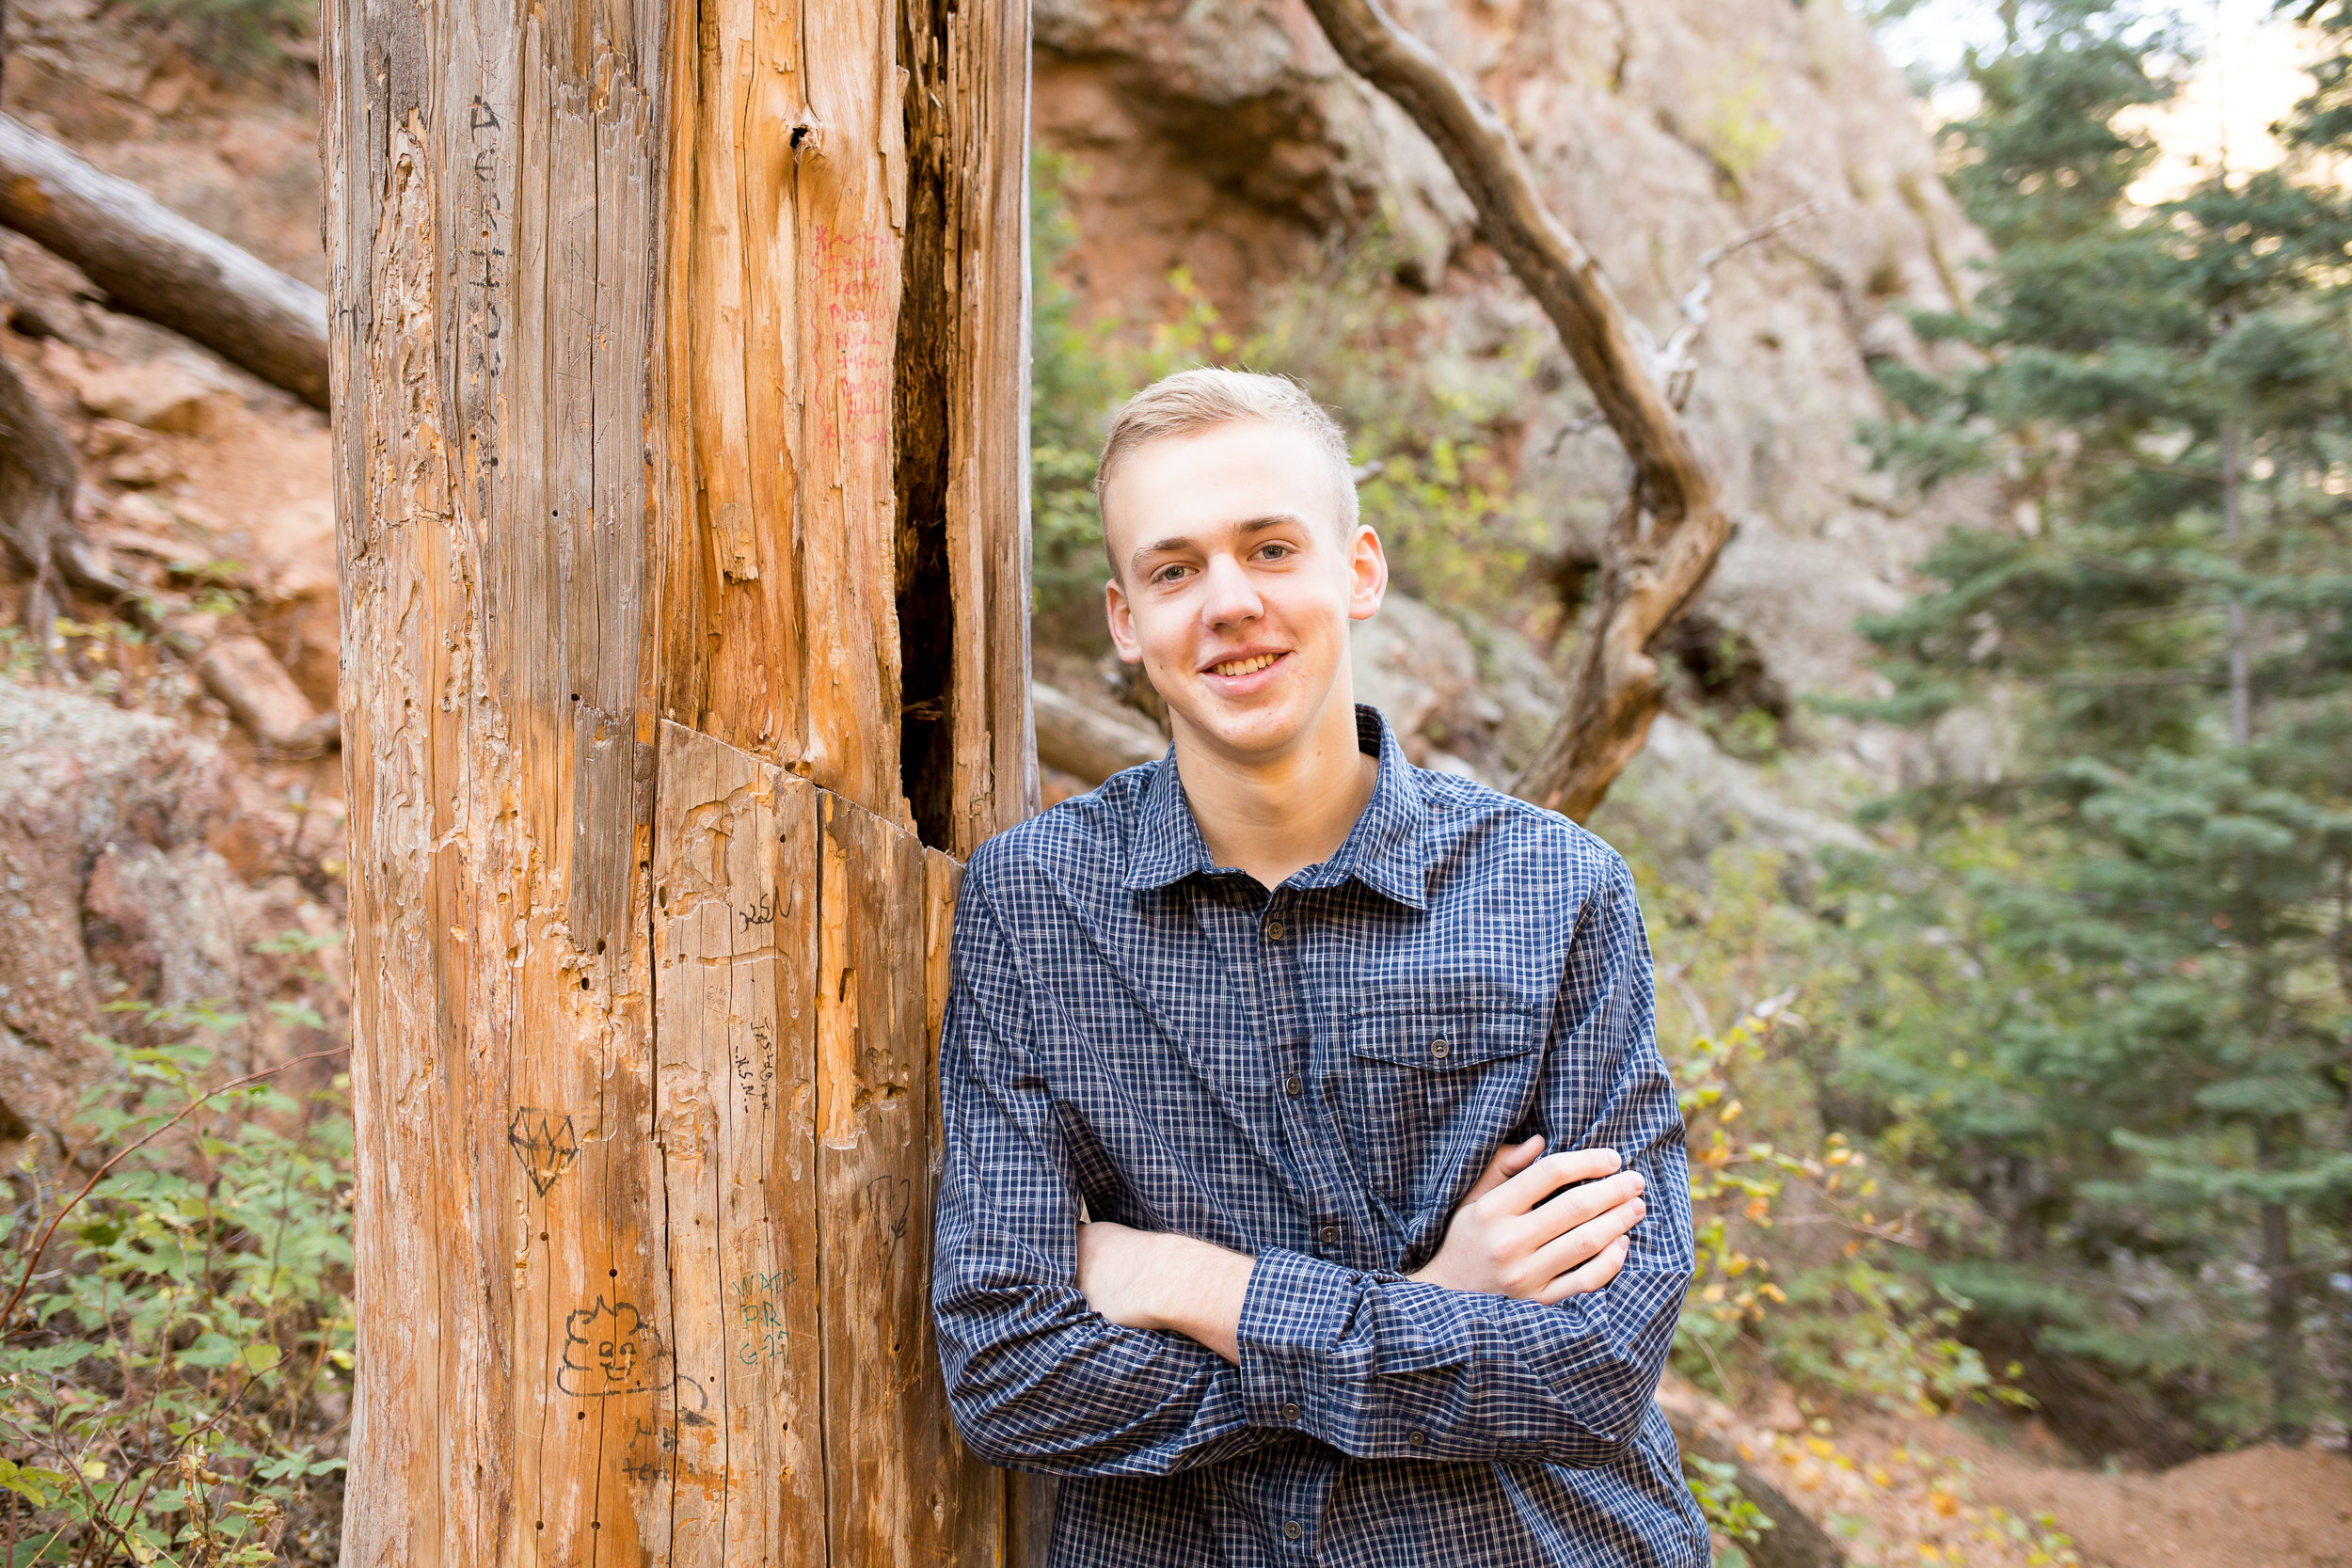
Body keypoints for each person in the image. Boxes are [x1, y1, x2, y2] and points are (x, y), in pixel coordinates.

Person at [931, 367, 1708, 1565]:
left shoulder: (1555, 889)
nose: (1228, 601)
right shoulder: (1036, 905)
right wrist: (1435, 1306)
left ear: (1360, 569)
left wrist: (1204, 1289)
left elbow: (1596, 1363)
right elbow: (1009, 1371)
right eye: (1175, 567)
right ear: (1126, 620)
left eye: (1272, 547)